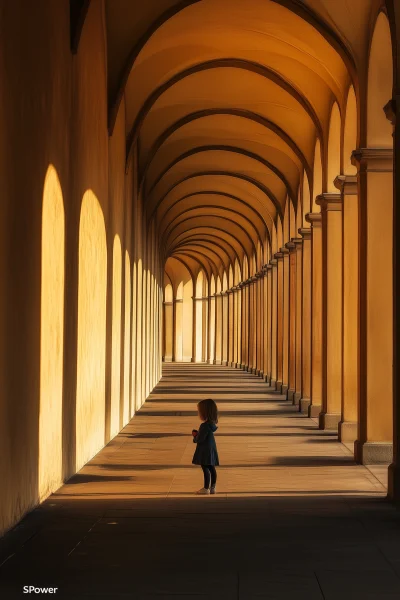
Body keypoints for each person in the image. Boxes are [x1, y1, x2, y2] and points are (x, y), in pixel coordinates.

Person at [192, 398, 219, 494]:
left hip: (204, 450)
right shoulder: (211, 425)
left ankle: (206, 488)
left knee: (205, 468)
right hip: (211, 448)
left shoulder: (204, 425)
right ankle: (213, 487)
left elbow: (200, 439)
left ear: (204, 413)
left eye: (199, 412)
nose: (198, 414)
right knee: (212, 467)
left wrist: (195, 436)